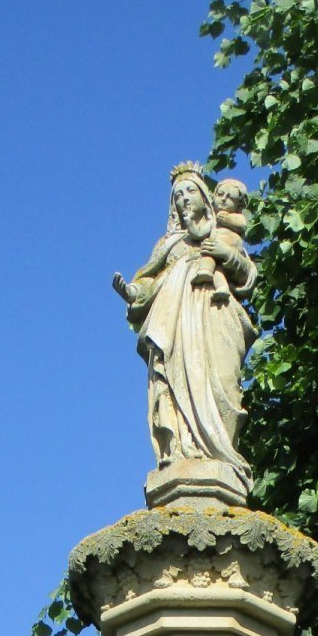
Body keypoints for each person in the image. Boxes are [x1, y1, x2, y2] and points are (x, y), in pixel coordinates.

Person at [112, 166, 257, 492]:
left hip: (215, 315)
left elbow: (247, 274)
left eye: (189, 191)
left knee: (221, 381)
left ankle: (221, 455)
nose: (182, 199)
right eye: (177, 195)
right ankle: (180, 452)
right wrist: (132, 293)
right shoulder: (170, 244)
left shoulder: (220, 233)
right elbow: (149, 281)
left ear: (205, 197)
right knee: (172, 387)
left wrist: (224, 256)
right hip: (174, 324)